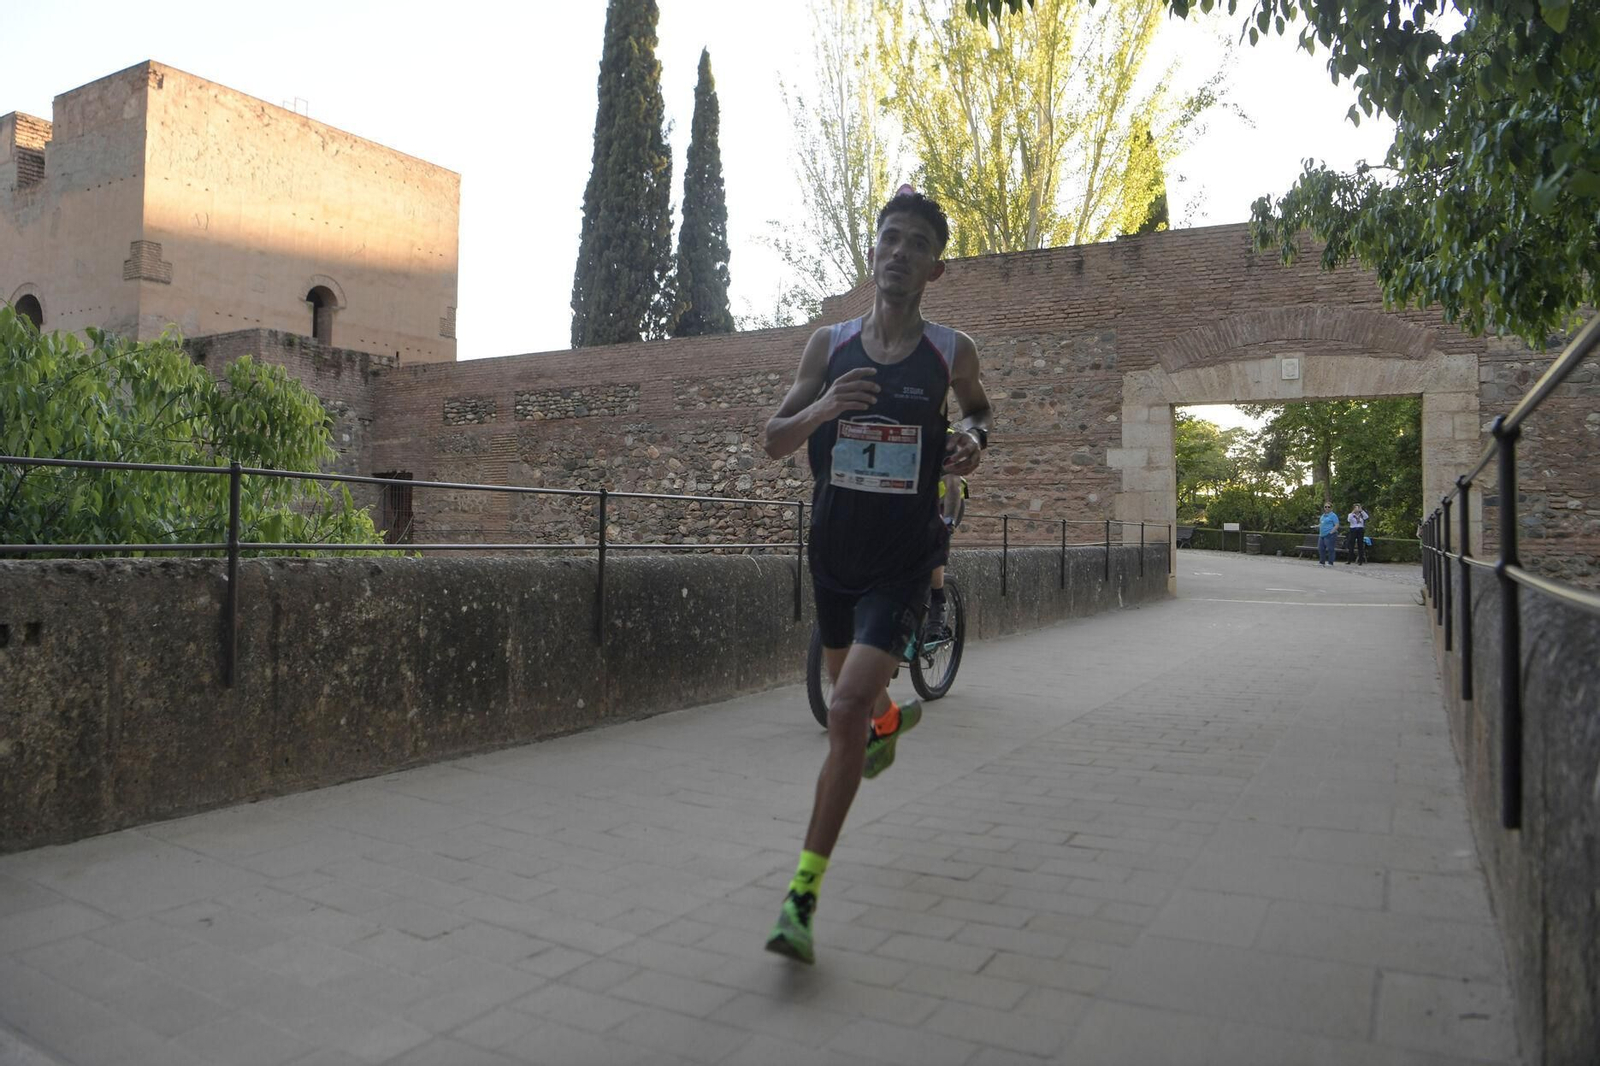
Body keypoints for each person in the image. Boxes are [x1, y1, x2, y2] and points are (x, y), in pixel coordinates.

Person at [758, 187, 991, 965]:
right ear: (873, 251)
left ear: (937, 265)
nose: (899, 252)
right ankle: (888, 724)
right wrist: (824, 408)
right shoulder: (828, 346)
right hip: (833, 554)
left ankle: (801, 897)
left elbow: (981, 414)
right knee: (854, 705)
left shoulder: (951, 351)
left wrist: (970, 442)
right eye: (889, 238)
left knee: (844, 705)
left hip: (901, 557)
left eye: (916, 243)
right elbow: (772, 441)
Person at [926, 461, 968, 637]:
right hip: (916, 503)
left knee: (935, 540)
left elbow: (952, 484)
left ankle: (938, 601)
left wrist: (948, 523)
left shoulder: (945, 439)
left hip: (946, 502)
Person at [1317, 501, 1340, 566]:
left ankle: (1330, 562)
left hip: (1330, 535)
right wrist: (1317, 526)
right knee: (1321, 548)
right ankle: (1322, 562)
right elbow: (1322, 523)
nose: (1327, 508)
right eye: (1325, 507)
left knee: (1330, 549)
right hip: (1322, 534)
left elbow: (1337, 525)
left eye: (1328, 507)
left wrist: (1331, 532)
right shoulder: (1323, 516)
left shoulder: (1333, 515)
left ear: (1331, 508)